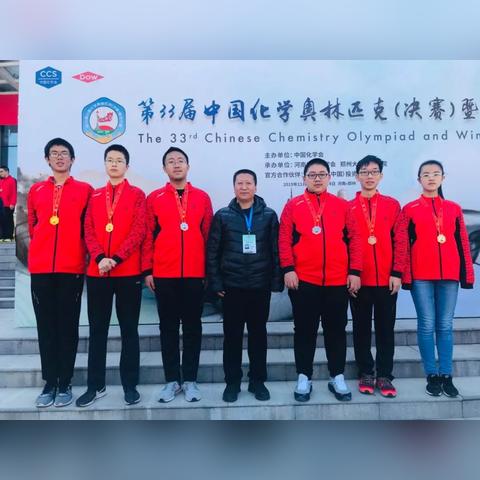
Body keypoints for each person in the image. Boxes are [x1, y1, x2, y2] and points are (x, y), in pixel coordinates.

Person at [279, 158, 362, 402]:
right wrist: (288, 268)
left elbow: (355, 239)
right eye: (312, 174)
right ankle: (304, 376)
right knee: (304, 331)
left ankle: (337, 376)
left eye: (322, 174)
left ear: (329, 177)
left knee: (336, 330)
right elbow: (284, 239)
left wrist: (355, 271)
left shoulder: (342, 205)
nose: (317, 178)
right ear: (304, 178)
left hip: (337, 281)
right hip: (304, 280)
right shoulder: (293, 205)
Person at [76, 145, 147, 407]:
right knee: (97, 331)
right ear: (105, 164)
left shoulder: (137, 195)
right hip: (98, 273)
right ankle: (95, 386)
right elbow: (88, 230)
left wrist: (116, 258)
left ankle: (130, 385)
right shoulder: (95, 196)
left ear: (127, 166)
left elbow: (139, 230)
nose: (114, 164)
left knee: (129, 330)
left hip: (128, 272)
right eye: (110, 160)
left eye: (119, 160)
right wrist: (99, 258)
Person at [399, 160, 474, 397]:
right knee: (426, 324)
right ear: (419, 180)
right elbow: (403, 245)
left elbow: (463, 242)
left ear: (443, 178)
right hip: (421, 275)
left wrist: (467, 274)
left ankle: (446, 375)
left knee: (445, 325)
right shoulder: (409, 209)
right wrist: (405, 275)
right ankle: (431, 374)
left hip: (449, 275)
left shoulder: (453, 208)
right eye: (426, 174)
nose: (431, 178)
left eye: (435, 174)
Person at [207, 169, 283, 403]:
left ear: (255, 187)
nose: (244, 187)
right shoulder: (223, 216)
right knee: (232, 338)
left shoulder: (269, 215)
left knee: (258, 336)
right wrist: (216, 283)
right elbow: (212, 252)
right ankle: (232, 383)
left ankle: (257, 381)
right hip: (232, 287)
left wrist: (276, 281)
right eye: (239, 183)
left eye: (248, 183)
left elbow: (276, 250)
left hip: (260, 287)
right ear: (234, 187)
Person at [144, 147, 213, 403]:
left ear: (188, 166)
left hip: (195, 274)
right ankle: (172, 380)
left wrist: (208, 271)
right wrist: (148, 270)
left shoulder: (202, 197)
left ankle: (191, 380)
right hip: (164, 274)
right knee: (168, 328)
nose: (176, 165)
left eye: (180, 160)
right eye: (171, 161)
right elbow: (148, 236)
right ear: (164, 168)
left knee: (193, 328)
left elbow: (209, 236)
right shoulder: (155, 198)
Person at [27, 138, 92, 408]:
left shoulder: (85, 190)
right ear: (47, 159)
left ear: (72, 159)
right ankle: (49, 381)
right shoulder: (36, 190)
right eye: (54, 153)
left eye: (64, 153)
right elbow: (32, 224)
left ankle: (65, 381)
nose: (59, 157)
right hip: (41, 268)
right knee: (46, 327)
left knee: (67, 327)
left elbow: (88, 228)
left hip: (71, 267)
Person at [348, 155, 407, 398]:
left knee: (385, 329)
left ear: (381, 175)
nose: (369, 176)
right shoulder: (348, 207)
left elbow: (401, 240)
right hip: (358, 280)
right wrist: (351, 273)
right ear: (357, 176)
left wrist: (397, 272)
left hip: (386, 280)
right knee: (361, 328)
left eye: (374, 171)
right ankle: (365, 372)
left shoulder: (392, 205)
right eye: (364, 172)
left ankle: (384, 374)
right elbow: (345, 243)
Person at [0, 165, 17, 241]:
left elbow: (14, 193)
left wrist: (12, 203)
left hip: (8, 204)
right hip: (1, 204)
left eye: (1, 171)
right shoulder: (1, 180)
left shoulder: (12, 180)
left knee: (8, 220)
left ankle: (9, 236)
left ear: (6, 171)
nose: (0, 173)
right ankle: (2, 236)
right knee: (2, 220)